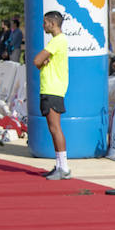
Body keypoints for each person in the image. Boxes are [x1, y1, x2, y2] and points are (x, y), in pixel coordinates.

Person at [33, 11, 71, 180]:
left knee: (55, 129)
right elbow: (40, 62)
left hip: (52, 89)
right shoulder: (58, 41)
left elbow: (36, 61)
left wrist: (42, 62)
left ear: (52, 23)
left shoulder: (57, 41)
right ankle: (59, 165)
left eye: (45, 22)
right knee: (53, 128)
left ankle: (64, 167)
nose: (43, 26)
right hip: (51, 89)